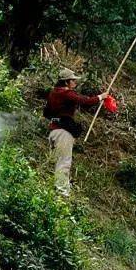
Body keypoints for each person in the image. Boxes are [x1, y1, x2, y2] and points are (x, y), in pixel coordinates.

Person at [43, 69, 104, 197]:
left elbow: (46, 113)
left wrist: (58, 119)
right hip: (63, 133)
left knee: (58, 161)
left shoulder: (53, 93)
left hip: (53, 132)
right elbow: (84, 101)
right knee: (64, 161)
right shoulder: (66, 93)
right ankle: (61, 192)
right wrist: (100, 97)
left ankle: (57, 189)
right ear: (66, 82)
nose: (75, 82)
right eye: (73, 80)